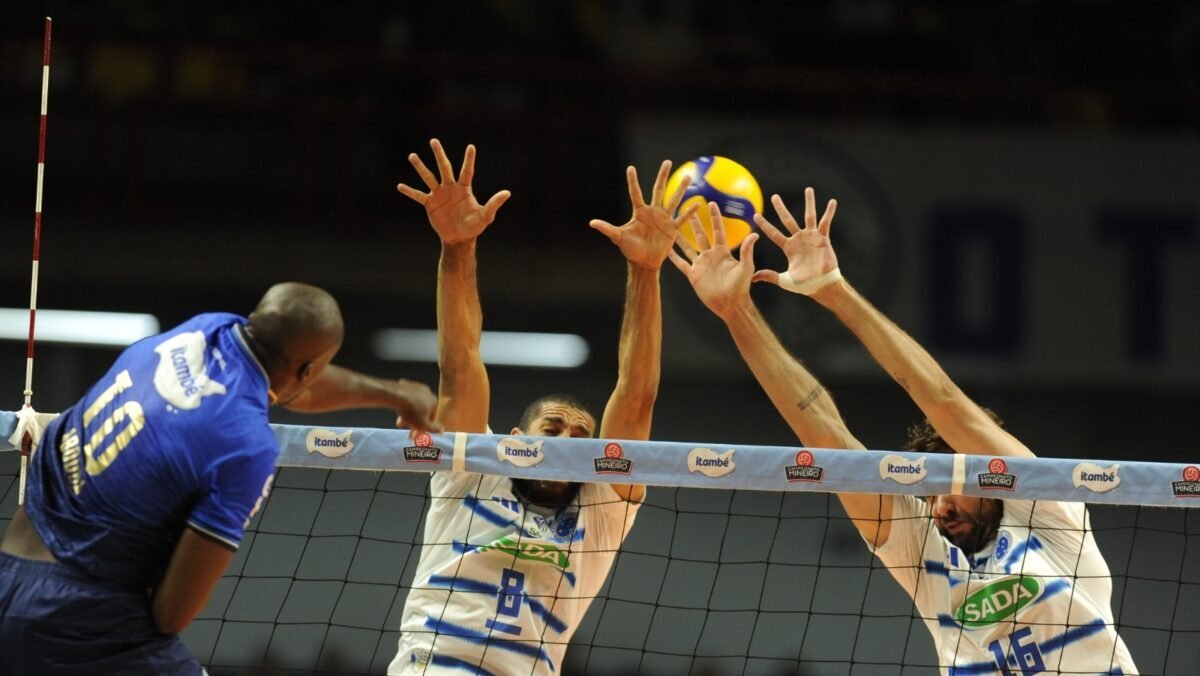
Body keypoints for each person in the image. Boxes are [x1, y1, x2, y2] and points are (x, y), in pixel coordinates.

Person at [668, 193, 1138, 675]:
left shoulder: (1049, 511)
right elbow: (830, 441)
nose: (940, 506)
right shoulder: (926, 555)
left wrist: (832, 290)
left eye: (950, 485)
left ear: (991, 478)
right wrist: (736, 313)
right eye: (929, 494)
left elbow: (945, 403)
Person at [0, 282, 440, 675]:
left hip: (9, 573)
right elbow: (171, 614)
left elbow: (286, 379)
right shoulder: (246, 447)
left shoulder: (203, 330)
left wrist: (394, 394)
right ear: (308, 371)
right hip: (78, 617)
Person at [390, 139, 694, 675]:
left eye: (580, 439)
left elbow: (637, 393)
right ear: (513, 439)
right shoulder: (473, 471)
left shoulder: (600, 511)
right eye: (551, 429)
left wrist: (646, 271)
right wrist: (457, 246)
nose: (564, 444)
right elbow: (460, 364)